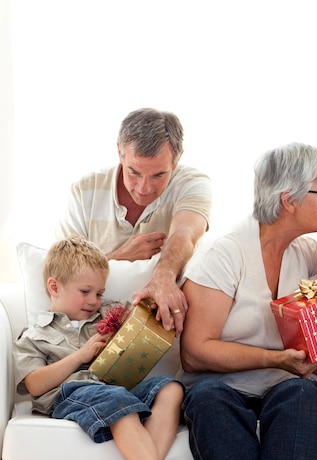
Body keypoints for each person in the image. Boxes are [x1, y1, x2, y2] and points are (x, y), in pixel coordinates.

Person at [179, 142, 317, 459]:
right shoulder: (224, 253)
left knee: (307, 394)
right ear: (289, 200)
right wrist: (276, 359)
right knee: (209, 398)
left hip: (287, 387)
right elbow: (195, 353)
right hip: (222, 388)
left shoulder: (306, 251)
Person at [13, 236, 184, 460]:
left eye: (99, 293)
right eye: (85, 291)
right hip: (70, 393)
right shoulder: (35, 334)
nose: (94, 300)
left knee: (171, 388)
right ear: (54, 287)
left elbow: (137, 318)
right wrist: (80, 356)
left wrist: (149, 307)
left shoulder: (108, 312)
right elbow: (34, 384)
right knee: (115, 398)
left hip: (119, 387)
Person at [56, 108, 212, 336]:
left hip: (159, 334)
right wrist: (117, 257)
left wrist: (164, 276)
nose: (144, 188)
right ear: (120, 152)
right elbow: (63, 275)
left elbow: (185, 234)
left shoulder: (192, 184)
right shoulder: (84, 191)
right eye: (134, 172)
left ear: (177, 160)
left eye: (159, 175)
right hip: (88, 334)